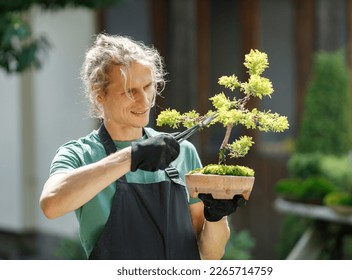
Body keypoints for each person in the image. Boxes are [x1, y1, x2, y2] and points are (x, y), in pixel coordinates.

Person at [40, 33, 242, 260]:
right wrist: (131, 157)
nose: (145, 101)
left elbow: (208, 255)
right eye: (130, 91)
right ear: (99, 95)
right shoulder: (79, 155)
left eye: (148, 86)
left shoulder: (181, 152)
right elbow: (51, 203)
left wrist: (216, 217)